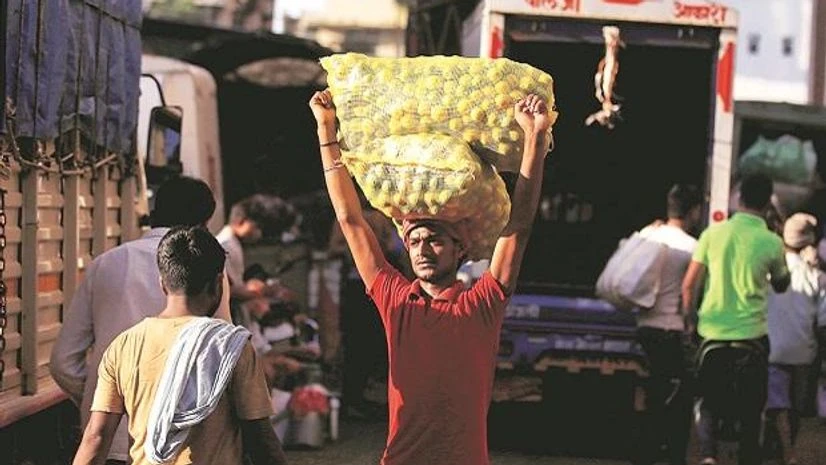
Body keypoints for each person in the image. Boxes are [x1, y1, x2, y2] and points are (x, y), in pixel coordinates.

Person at [309, 89, 551, 465]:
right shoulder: (396, 300)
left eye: (435, 240)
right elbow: (350, 219)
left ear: (461, 250)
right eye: (415, 241)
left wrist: (535, 137)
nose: (422, 249)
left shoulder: (482, 303)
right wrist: (326, 130)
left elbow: (518, 223)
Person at [50, 176, 232, 465]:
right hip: (181, 443)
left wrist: (102, 401)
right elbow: (221, 356)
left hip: (107, 440)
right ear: (202, 224)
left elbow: (63, 362)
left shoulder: (105, 264)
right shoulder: (208, 269)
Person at [71, 227, 286, 465]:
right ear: (218, 284)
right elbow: (261, 440)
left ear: (162, 283)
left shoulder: (123, 345)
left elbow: (96, 437)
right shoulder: (231, 347)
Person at [682, 173, 791, 465]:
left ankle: (707, 456)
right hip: (752, 338)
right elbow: (782, 284)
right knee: (752, 408)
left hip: (711, 335)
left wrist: (690, 323)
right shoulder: (771, 242)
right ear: (768, 203)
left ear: (739, 198)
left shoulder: (712, 234)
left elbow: (689, 285)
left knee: (706, 401)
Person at [633, 184, 703, 465]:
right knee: (678, 397)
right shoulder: (691, 247)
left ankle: (646, 451)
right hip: (671, 328)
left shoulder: (649, 235)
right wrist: (691, 324)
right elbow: (690, 292)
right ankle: (671, 454)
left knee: (654, 391)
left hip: (645, 326)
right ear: (695, 211)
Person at [765, 213, 825, 465]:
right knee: (796, 407)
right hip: (803, 352)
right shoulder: (817, 276)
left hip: (771, 349)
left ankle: (778, 451)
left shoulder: (768, 270)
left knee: (775, 404)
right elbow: (823, 321)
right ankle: (788, 450)